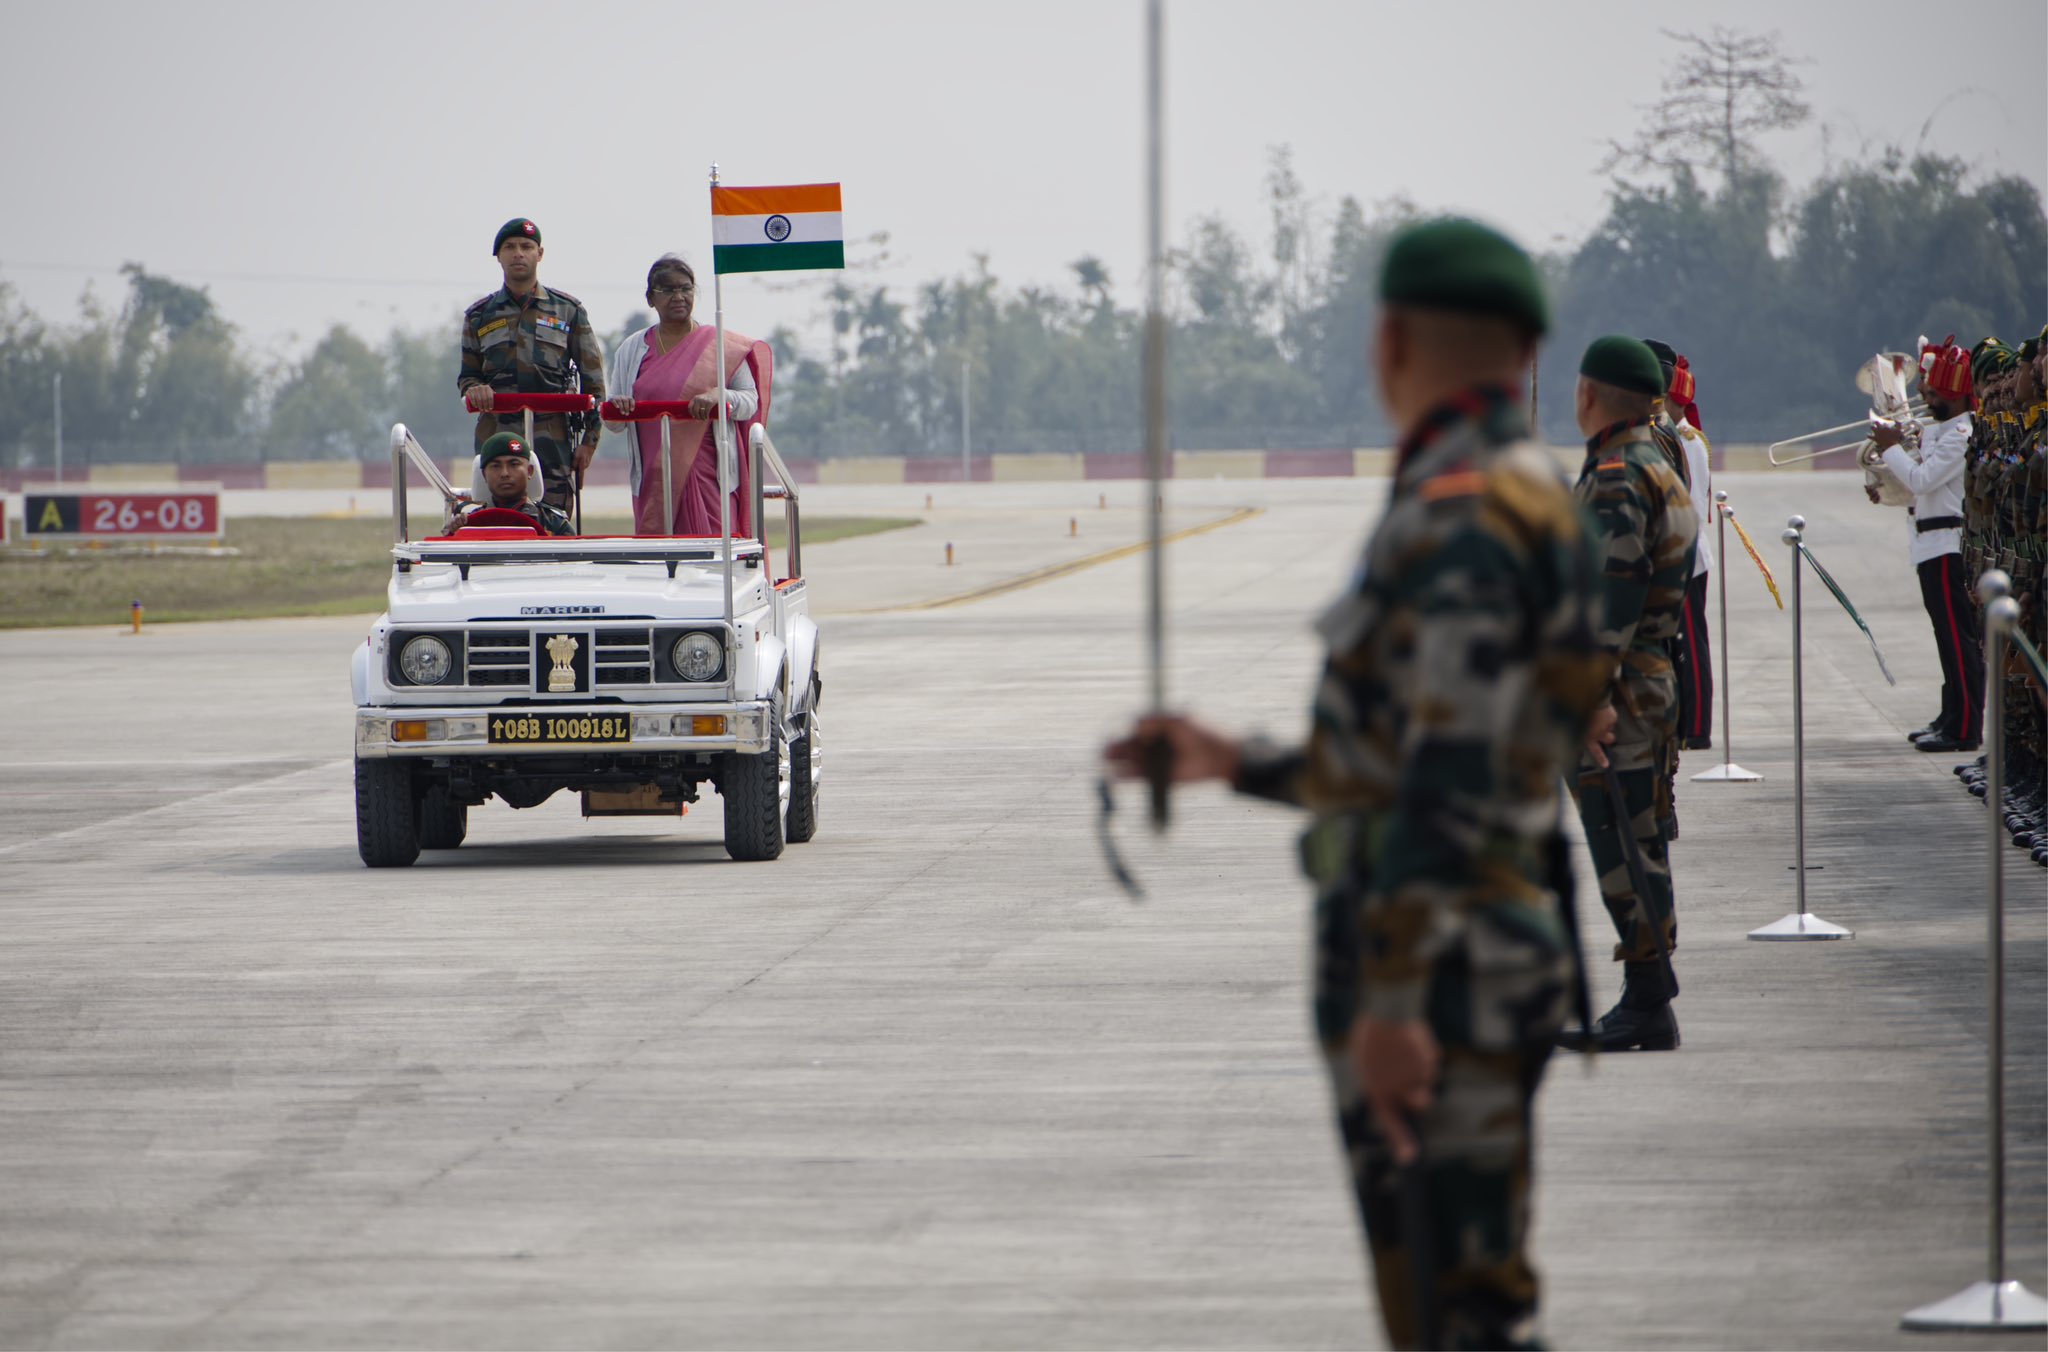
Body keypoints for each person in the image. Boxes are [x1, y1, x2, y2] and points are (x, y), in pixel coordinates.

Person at [1104, 219, 1606, 1350]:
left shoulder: (1462, 509)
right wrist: (1235, 760)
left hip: (1440, 976)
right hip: (1476, 950)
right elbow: (1414, 749)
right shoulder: (1515, 488)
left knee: (1459, 1316)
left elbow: (1450, 775)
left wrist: (1389, 1001)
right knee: (1454, 1305)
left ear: (1387, 341)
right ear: (1528, 353)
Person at [1557, 336, 1697, 1055]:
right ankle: (1649, 991)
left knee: (1623, 838)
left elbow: (1613, 595)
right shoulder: (1654, 464)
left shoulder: (1617, 475)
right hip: (1646, 680)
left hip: (1621, 690)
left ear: (1589, 395)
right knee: (1636, 834)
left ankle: (1647, 1000)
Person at [604, 255, 773, 537]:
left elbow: (749, 401)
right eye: (668, 290)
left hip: (710, 474)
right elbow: (614, 422)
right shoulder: (632, 349)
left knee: (716, 558)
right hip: (654, 478)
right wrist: (619, 408)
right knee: (663, 560)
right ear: (650, 298)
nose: (678, 296)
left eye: (686, 288)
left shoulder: (721, 346)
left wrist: (719, 396)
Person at [1870, 337, 1980, 753]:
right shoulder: (1940, 429)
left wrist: (1890, 448)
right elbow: (1918, 488)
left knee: (1958, 639)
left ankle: (1966, 726)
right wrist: (1886, 485)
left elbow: (1922, 479)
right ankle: (1951, 715)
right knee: (1944, 637)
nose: (1923, 396)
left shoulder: (1961, 433)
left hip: (1948, 545)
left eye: (1932, 393)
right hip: (1929, 542)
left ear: (1951, 397)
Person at [458, 218, 606, 514]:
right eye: (510, 247)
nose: (518, 254)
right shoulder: (479, 315)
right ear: (498, 256)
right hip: (498, 438)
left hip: (552, 439)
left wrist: (589, 442)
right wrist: (476, 389)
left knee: (554, 521)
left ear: (540, 254)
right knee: (497, 520)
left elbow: (594, 383)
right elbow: (467, 376)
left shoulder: (568, 310)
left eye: (526, 247)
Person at [1644, 340, 1715, 756]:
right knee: (1681, 647)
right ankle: (1687, 723)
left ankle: (1698, 727)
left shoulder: (1682, 437)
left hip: (1684, 554)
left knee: (1692, 645)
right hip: (1680, 553)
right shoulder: (1675, 434)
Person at [444, 432, 575, 536]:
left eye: (514, 464)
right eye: (496, 466)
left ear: (529, 471)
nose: (505, 473)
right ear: (484, 475)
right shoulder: (469, 524)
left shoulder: (554, 524)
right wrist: (455, 532)